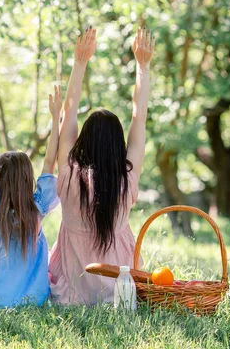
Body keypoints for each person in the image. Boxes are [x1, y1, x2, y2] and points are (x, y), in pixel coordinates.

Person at [48, 26, 155, 305]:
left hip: (73, 290)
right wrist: (142, 66)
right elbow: (139, 118)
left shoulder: (70, 172)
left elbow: (68, 111)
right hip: (119, 289)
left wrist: (80, 62)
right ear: (118, 144)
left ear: (83, 139)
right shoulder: (126, 177)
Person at [0, 80, 61, 308]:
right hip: (33, 299)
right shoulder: (37, 207)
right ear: (29, 179)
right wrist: (56, 117)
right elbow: (50, 161)